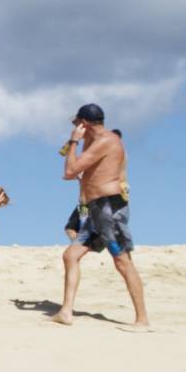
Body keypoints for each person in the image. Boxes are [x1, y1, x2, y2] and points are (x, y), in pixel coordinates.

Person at [58, 105, 149, 328]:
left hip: (109, 210)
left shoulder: (106, 142)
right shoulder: (93, 142)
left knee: (122, 262)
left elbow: (69, 173)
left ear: (85, 123)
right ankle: (66, 311)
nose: (75, 126)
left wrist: (73, 142)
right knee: (70, 256)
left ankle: (142, 319)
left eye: (77, 122)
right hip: (94, 211)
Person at [60, 128, 125, 242]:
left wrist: (72, 145)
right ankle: (83, 248)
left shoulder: (99, 165)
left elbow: (68, 174)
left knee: (78, 230)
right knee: (73, 229)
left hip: (89, 204)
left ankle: (83, 248)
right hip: (86, 205)